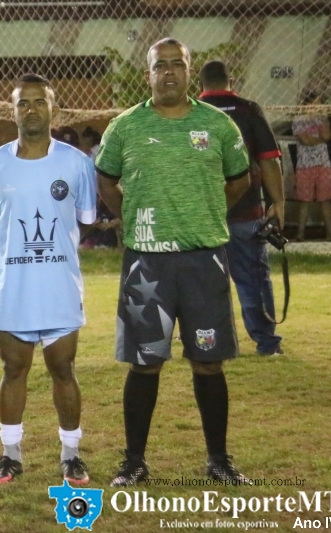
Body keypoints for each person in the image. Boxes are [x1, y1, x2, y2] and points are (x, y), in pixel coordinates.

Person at [95, 38, 252, 487]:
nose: (168, 72)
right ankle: (134, 462)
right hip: (147, 264)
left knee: (209, 362)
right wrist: (132, 218)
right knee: (145, 363)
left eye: (176, 64)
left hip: (204, 261)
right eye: (159, 65)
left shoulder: (217, 125)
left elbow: (239, 181)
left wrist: (204, 215)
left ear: (189, 71)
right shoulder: (125, 126)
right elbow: (106, 180)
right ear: (148, 74)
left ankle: (219, 460)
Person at [0, 74, 96, 485]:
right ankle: (10, 455)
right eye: (23, 103)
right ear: (12, 112)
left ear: (54, 109)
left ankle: (71, 455)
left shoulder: (77, 164)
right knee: (14, 368)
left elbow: (84, 220)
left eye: (39, 102)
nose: (31, 109)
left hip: (59, 285)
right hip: (12, 286)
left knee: (63, 367)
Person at [198, 60, 286, 356]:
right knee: (253, 281)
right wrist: (278, 203)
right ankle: (267, 344)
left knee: (203, 285)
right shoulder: (249, 110)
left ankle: (207, 343)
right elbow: (269, 159)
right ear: (231, 81)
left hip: (200, 216)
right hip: (246, 213)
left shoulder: (192, 112)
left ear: (200, 85)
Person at [292, 91, 331, 241]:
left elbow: (326, 135)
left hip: (323, 164)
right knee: (304, 200)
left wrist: (322, 122)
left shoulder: (322, 119)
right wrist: (319, 139)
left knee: (325, 199)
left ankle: (330, 233)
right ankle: (300, 234)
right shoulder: (299, 120)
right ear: (307, 104)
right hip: (305, 165)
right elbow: (306, 141)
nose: (318, 107)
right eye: (315, 103)